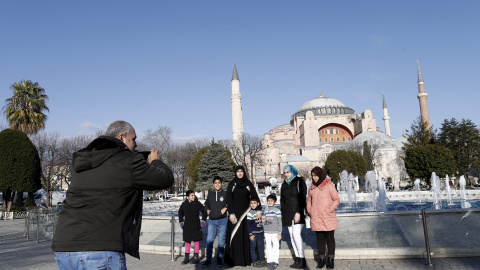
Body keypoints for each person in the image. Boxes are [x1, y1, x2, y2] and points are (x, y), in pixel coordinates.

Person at [52, 120, 174, 269]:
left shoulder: (83, 161)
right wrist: (155, 162)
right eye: (133, 139)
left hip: (64, 249)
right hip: (99, 250)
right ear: (122, 137)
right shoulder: (127, 161)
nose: (135, 144)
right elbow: (165, 179)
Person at [224, 165, 262, 267]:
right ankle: (233, 260)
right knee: (235, 236)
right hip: (234, 215)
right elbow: (228, 199)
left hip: (246, 215)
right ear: (235, 173)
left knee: (245, 237)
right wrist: (231, 214)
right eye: (238, 171)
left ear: (244, 172)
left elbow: (255, 196)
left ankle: (245, 260)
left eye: (241, 171)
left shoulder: (248, 183)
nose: (240, 173)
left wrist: (259, 210)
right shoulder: (232, 184)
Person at [306, 166, 340, 269]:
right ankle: (321, 259)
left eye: (315, 175)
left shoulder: (329, 185)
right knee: (320, 239)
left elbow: (336, 199)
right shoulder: (312, 187)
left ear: (320, 175)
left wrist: (330, 209)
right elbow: (309, 201)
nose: (314, 178)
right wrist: (310, 211)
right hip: (316, 217)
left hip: (328, 216)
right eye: (312, 176)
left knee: (330, 238)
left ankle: (330, 259)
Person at [280, 165, 307, 269]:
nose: (286, 174)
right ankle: (297, 259)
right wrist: (283, 213)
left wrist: (298, 212)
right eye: (285, 173)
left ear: (293, 171)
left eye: (288, 172)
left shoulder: (299, 181)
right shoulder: (283, 185)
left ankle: (302, 259)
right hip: (287, 213)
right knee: (291, 236)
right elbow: (282, 200)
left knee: (296, 235)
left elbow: (302, 197)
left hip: (297, 212)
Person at [203, 176, 228, 267]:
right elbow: (206, 204)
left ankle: (219, 259)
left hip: (222, 220)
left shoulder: (225, 194)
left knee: (221, 241)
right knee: (209, 240)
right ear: (213, 184)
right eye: (215, 183)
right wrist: (207, 209)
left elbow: (230, 202)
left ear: (222, 184)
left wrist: (226, 207)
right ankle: (208, 259)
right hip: (212, 221)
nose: (217, 184)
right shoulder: (210, 194)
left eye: (219, 183)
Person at [179, 190, 207, 264]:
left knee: (196, 241)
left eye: (194, 195)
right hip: (187, 226)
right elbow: (180, 213)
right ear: (187, 197)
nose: (193, 196)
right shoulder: (184, 204)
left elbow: (204, 211)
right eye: (192, 195)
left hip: (196, 226)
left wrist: (203, 221)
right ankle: (186, 258)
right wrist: (181, 222)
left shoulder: (197, 204)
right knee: (187, 241)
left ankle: (196, 258)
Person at [263, 194, 282, 270]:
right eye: (268, 201)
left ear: (275, 202)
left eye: (271, 201)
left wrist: (279, 233)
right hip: (267, 232)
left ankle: (275, 261)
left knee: (275, 246)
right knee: (268, 246)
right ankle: (269, 260)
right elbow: (264, 221)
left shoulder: (277, 211)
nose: (270, 202)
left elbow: (280, 222)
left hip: (275, 232)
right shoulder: (265, 210)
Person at [247, 197, 266, 267]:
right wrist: (250, 234)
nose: (253, 205)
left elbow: (264, 219)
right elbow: (248, 225)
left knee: (261, 247)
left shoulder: (260, 212)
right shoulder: (250, 213)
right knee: (253, 247)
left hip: (260, 233)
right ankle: (254, 261)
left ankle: (262, 259)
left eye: (254, 203)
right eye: (251, 203)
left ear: (258, 204)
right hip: (254, 233)